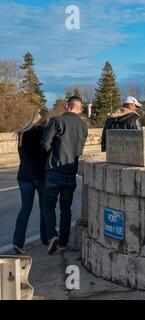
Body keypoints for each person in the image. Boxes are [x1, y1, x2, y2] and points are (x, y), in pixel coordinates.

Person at [41, 96, 88, 254]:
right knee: (66, 209)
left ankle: (52, 235)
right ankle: (63, 242)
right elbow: (79, 150)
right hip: (70, 172)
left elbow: (45, 143)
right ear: (80, 109)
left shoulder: (57, 120)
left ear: (67, 106)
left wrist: (50, 156)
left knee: (48, 206)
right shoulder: (83, 126)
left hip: (54, 170)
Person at [12, 109, 50, 254]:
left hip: (23, 175)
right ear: (46, 118)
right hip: (40, 175)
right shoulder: (44, 132)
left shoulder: (22, 133)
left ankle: (18, 241)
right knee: (44, 207)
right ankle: (45, 238)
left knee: (25, 208)